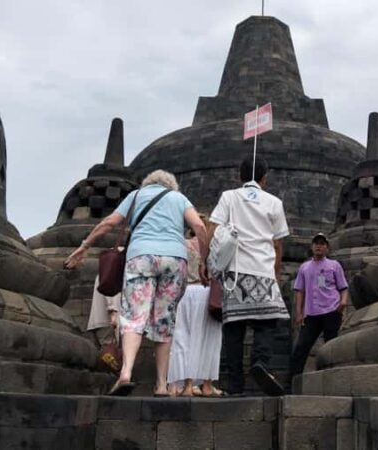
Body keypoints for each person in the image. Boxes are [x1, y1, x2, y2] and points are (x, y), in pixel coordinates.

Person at [65, 170, 208, 396]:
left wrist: (84, 246)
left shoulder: (135, 196)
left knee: (133, 317)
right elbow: (200, 227)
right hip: (174, 260)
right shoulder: (179, 199)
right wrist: (204, 261)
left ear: (147, 183)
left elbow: (109, 223)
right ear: (171, 186)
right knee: (165, 320)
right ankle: (161, 385)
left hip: (140, 257)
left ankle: (126, 373)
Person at [209, 156, 290, 396]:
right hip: (263, 270)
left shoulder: (229, 197)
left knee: (234, 328)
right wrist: (275, 272)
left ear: (239, 176)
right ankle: (260, 363)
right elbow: (277, 243)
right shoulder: (274, 202)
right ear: (265, 178)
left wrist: (208, 261)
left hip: (234, 272)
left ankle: (235, 384)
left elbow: (213, 228)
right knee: (266, 323)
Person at [167, 219, 224, 397]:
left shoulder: (181, 244)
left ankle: (187, 384)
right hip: (208, 292)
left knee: (183, 339)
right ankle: (207, 384)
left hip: (184, 292)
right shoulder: (216, 247)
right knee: (209, 340)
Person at [289, 233, 349, 380]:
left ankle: (333, 379)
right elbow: (299, 291)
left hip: (331, 310)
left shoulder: (334, 265)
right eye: (316, 243)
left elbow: (343, 287)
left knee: (332, 346)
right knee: (301, 347)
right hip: (311, 313)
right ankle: (291, 382)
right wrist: (298, 313)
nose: (319, 246)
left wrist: (343, 302)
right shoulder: (304, 267)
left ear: (327, 248)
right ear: (312, 246)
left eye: (322, 244)